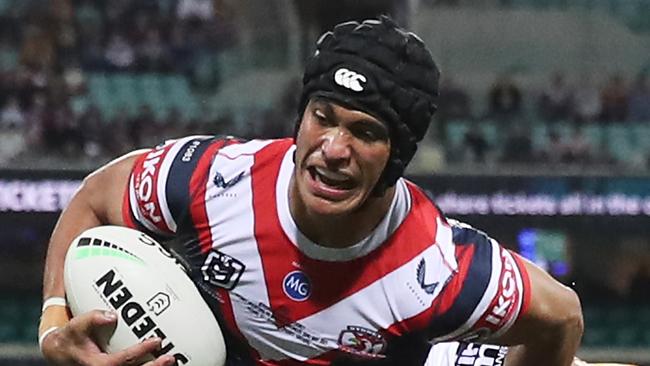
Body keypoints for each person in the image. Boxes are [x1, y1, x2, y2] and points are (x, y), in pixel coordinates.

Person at [39, 17, 584, 365]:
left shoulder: (440, 270)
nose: (333, 147)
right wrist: (53, 323)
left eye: (366, 132)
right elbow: (95, 196)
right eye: (323, 117)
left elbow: (562, 315)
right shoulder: (216, 178)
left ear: (397, 157)